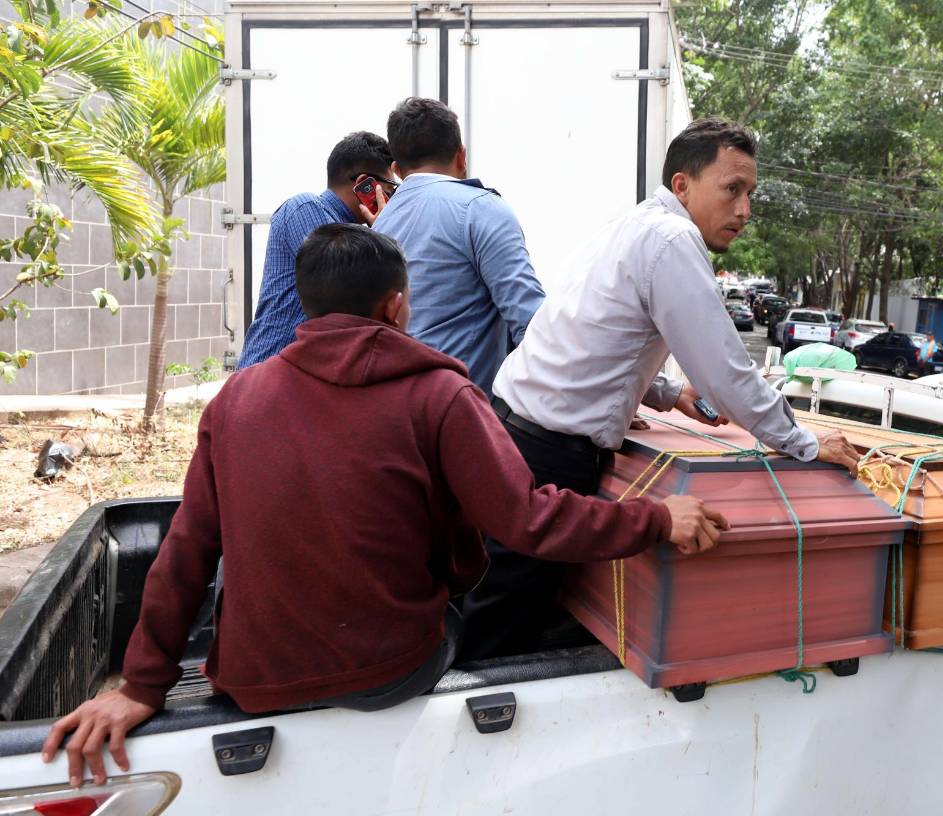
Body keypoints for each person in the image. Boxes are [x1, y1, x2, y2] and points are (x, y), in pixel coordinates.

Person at [41, 223, 727, 788]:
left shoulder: (235, 401)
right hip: (391, 671)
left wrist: (141, 684)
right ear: (397, 305)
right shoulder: (441, 395)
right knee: (495, 611)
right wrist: (658, 518)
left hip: (251, 679)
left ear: (306, 304)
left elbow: (186, 552)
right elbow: (530, 519)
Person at [461, 117, 862, 661]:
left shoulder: (636, 225)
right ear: (682, 185)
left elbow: (601, 335)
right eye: (731, 190)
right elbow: (725, 370)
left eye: (750, 194)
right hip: (548, 452)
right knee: (504, 626)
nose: (744, 210)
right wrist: (805, 442)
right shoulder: (672, 239)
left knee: (506, 602)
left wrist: (667, 393)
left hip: (514, 424)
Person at [374, 97, 544, 397]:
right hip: (458, 412)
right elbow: (531, 323)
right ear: (461, 156)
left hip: (392, 405)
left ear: (396, 169)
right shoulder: (481, 209)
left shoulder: (382, 221)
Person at [237, 131, 397, 369]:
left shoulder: (355, 233)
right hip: (266, 375)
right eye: (390, 188)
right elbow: (353, 289)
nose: (392, 198)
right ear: (364, 183)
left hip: (292, 379)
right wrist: (385, 227)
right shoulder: (307, 207)